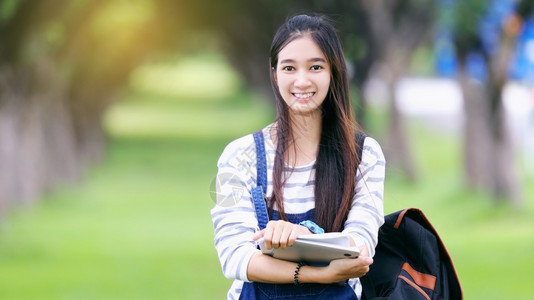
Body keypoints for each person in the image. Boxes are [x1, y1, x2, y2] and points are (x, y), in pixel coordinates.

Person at [211, 14, 385, 299]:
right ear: (275, 73)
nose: (302, 81)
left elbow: (361, 245)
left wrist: (300, 235)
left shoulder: (365, 155)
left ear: (334, 72)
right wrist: (317, 274)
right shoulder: (239, 156)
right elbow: (234, 256)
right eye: (289, 67)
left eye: (315, 67)